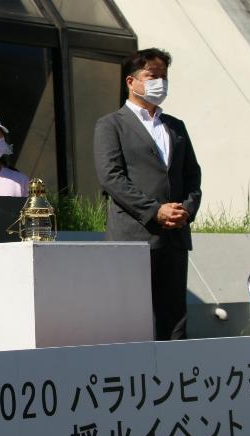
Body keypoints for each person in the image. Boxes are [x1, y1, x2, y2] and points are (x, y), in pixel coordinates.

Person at [93, 48, 202, 341]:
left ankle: (176, 377)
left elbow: (192, 175)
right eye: (152, 76)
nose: (160, 83)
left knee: (175, 318)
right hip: (133, 236)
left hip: (175, 238)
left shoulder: (175, 126)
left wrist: (186, 211)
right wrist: (155, 210)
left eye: (164, 76)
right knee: (130, 318)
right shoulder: (111, 125)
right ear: (131, 81)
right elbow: (111, 178)